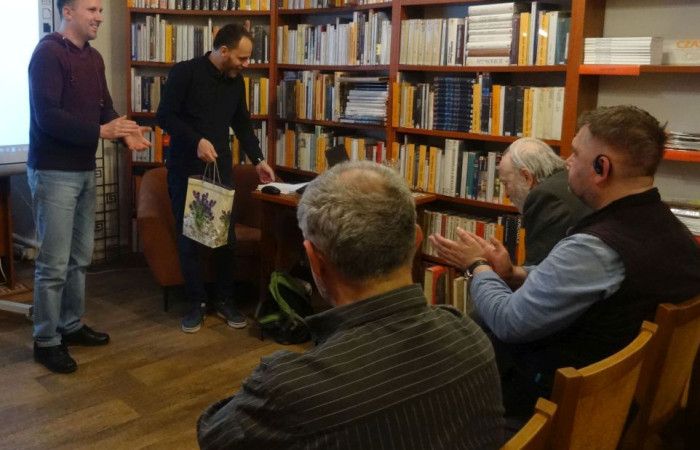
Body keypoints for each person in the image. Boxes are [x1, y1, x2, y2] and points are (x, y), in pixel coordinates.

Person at [197, 161, 505, 449]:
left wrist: (260, 393)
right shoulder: (472, 337)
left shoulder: (289, 390)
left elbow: (212, 435)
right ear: (415, 241)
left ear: (315, 261)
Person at [429, 105, 700, 417]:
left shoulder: (596, 247)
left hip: (561, 408)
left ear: (601, 167)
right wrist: (514, 273)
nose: (568, 162)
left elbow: (508, 322)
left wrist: (477, 266)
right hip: (627, 399)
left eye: (575, 153)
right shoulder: (673, 229)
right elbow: (580, 282)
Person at [28, 0, 151, 374]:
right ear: (67, 12)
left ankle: (70, 325)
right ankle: (45, 340)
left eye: (100, 10)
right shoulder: (48, 54)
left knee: (79, 258)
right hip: (53, 172)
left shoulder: (94, 59)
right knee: (53, 264)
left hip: (83, 170)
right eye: (92, 10)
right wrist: (101, 131)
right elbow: (48, 118)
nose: (99, 17)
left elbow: (105, 109)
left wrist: (125, 133)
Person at [156, 23, 275, 333]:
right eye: (242, 58)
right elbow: (164, 116)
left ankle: (225, 299)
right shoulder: (185, 72)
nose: (246, 64)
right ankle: (196, 302)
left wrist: (259, 160)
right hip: (185, 167)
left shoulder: (236, 82)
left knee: (225, 238)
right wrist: (196, 140)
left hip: (221, 168)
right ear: (223, 51)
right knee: (189, 237)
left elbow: (243, 125)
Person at [499, 137, 590, 266]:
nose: (506, 194)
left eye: (506, 184)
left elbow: (539, 272)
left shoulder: (545, 198)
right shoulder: (565, 181)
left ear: (526, 177)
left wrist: (480, 266)